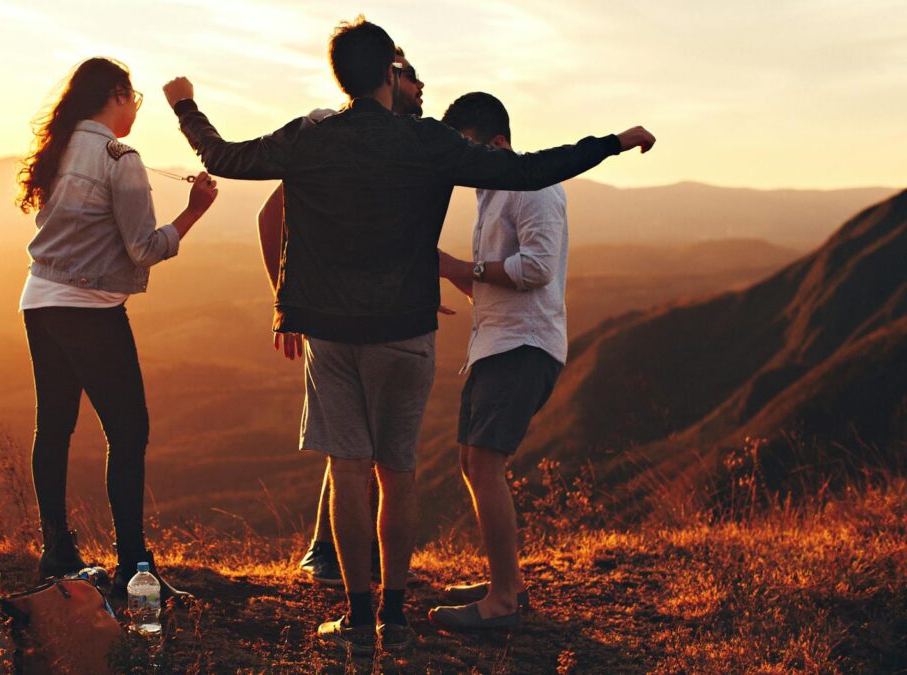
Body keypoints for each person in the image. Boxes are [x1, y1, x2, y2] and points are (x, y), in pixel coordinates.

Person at [164, 16, 654, 654]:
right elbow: (531, 170)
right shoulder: (425, 142)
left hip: (333, 331)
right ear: (390, 76)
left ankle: (358, 619)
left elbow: (226, 157)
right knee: (398, 473)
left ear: (342, 76)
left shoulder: (310, 138)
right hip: (406, 329)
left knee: (348, 472)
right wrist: (612, 142)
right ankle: (395, 615)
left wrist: (185, 107)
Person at [16, 57, 218, 601]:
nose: (135, 111)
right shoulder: (119, 158)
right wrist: (195, 210)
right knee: (128, 432)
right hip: (91, 309)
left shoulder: (59, 148)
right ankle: (135, 568)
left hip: (39, 300)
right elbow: (144, 248)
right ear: (116, 96)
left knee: (55, 426)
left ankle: (57, 551)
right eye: (134, 100)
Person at [256, 46, 428, 589]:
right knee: (353, 447)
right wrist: (287, 303)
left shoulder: (396, 145)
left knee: (360, 446)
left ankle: (347, 565)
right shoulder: (329, 133)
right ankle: (331, 556)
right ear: (386, 77)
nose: (423, 87)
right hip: (335, 316)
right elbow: (271, 214)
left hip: (374, 312)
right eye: (411, 74)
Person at [427, 92, 572, 630]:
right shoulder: (491, 193)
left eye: (464, 147)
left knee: (485, 465)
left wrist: (464, 265)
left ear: (498, 142)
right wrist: (446, 271)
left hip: (523, 346)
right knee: (472, 462)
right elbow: (491, 282)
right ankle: (504, 580)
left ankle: (503, 602)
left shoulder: (530, 186)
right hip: (495, 343)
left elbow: (534, 269)